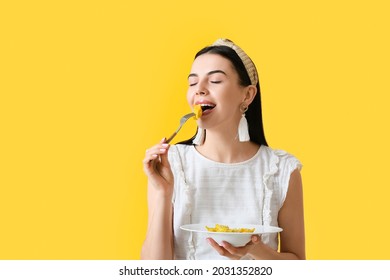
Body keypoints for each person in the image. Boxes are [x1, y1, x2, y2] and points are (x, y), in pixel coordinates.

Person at [141, 38, 305, 260]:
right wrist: (162, 193)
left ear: (247, 95)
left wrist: (254, 248)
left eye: (215, 80)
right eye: (192, 83)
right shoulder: (171, 163)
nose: (199, 90)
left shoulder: (282, 170)